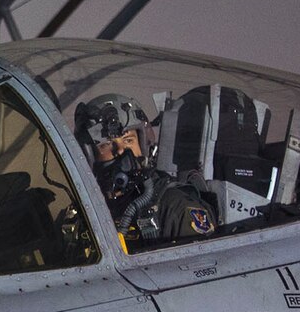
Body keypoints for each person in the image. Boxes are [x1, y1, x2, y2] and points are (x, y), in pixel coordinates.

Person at [72, 92, 219, 248]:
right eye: (106, 144)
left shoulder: (175, 208)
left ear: (143, 145)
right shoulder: (83, 211)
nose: (121, 151)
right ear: (89, 156)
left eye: (128, 140)